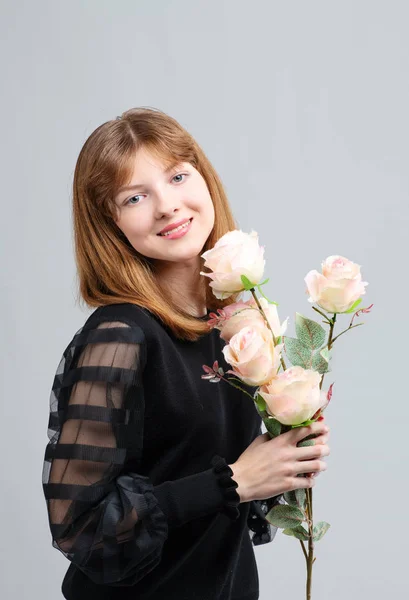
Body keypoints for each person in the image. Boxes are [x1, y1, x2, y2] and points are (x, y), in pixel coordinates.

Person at [42, 107, 331, 600]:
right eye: (136, 197)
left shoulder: (233, 327)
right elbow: (79, 525)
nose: (168, 206)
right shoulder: (120, 334)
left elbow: (197, 469)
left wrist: (287, 452)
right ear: (109, 224)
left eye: (178, 176)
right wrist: (234, 482)